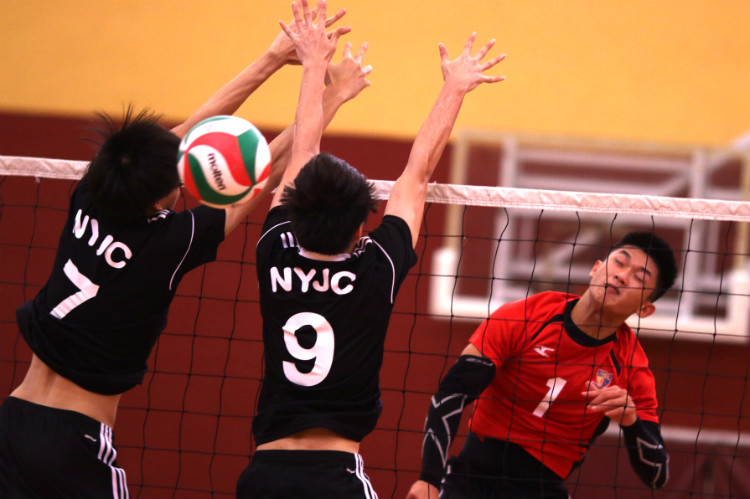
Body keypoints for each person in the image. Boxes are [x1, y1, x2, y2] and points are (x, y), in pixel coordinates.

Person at [0, 8, 369, 497]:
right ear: (158, 197)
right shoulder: (168, 245)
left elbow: (167, 149)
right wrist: (331, 94)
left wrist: (274, 57)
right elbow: (273, 167)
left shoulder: (92, 189)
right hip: (75, 443)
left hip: (13, 420)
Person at [234, 1, 506, 497]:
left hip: (263, 475)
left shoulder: (273, 247)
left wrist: (315, 62)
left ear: (293, 211)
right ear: (363, 227)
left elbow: (303, 152)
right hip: (335, 474)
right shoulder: (376, 267)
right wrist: (454, 87)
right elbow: (416, 176)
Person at [406, 232, 678, 499]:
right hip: (471, 477)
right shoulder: (526, 316)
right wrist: (429, 479)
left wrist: (631, 422)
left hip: (542, 489)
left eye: (639, 278)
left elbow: (657, 476)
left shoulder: (631, 367)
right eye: (619, 262)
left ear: (644, 309)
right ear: (596, 269)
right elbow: (452, 395)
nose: (621, 275)